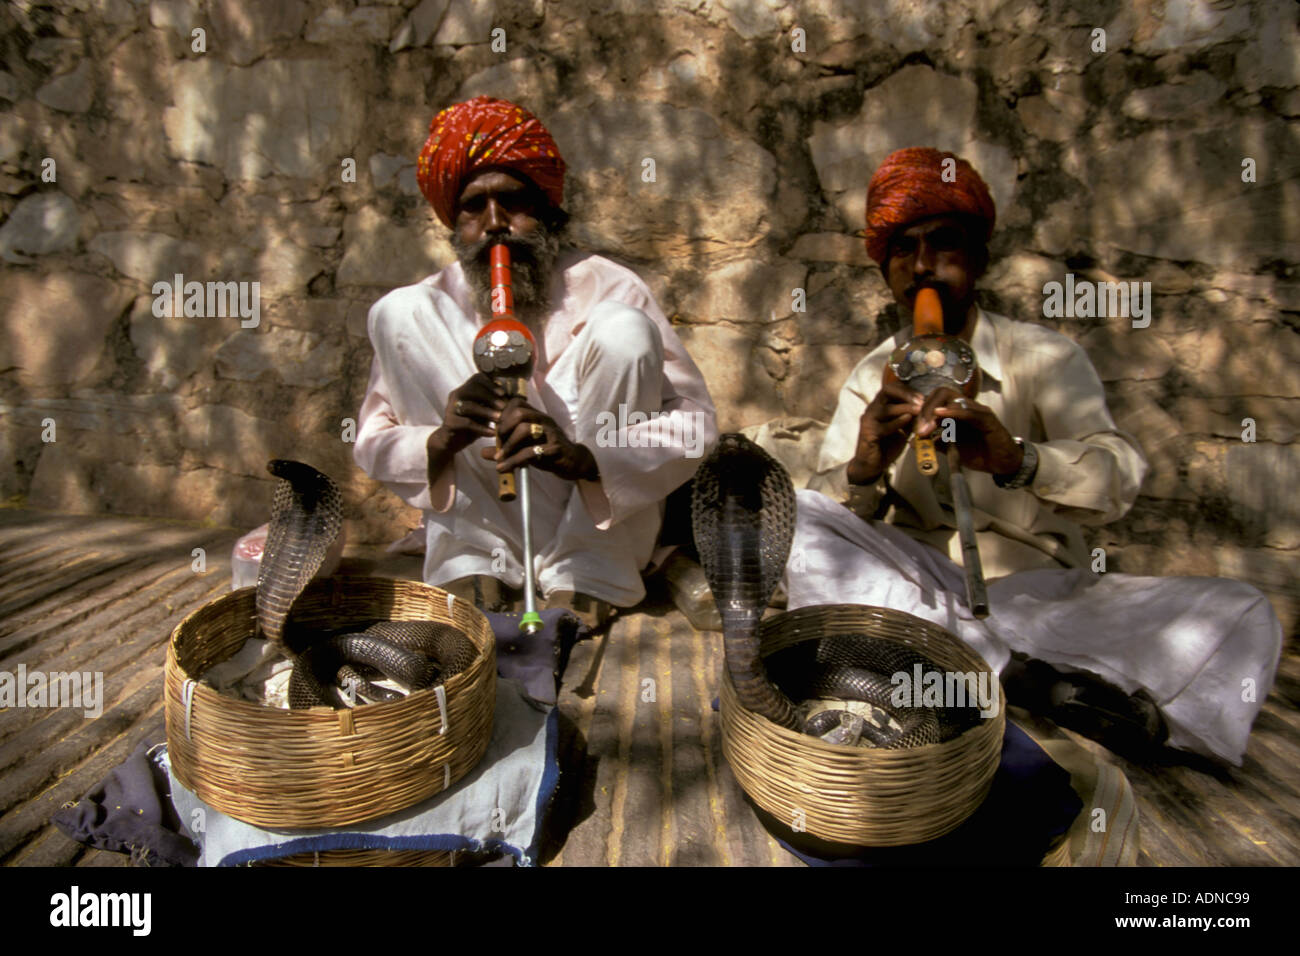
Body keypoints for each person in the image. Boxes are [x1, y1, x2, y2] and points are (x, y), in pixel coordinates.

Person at [788, 146, 1282, 765]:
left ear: (978, 259)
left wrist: (1017, 460)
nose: (922, 267)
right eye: (902, 252)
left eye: (943, 243)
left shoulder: (1045, 358)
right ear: (887, 271)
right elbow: (823, 518)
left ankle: (992, 680)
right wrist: (864, 466)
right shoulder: (871, 374)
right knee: (796, 517)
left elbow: (1119, 479)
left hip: (1045, 602)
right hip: (922, 593)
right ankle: (1025, 683)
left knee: (1242, 611)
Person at [354, 96, 717, 627]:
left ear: (546, 210)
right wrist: (441, 438)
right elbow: (373, 440)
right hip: (482, 513)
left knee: (622, 329)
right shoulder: (432, 304)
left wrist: (585, 459)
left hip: (592, 513)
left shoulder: (612, 285)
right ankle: (475, 557)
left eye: (513, 202)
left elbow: (694, 427)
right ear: (455, 224)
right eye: (474, 207)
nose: (495, 223)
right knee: (395, 310)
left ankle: (590, 569)